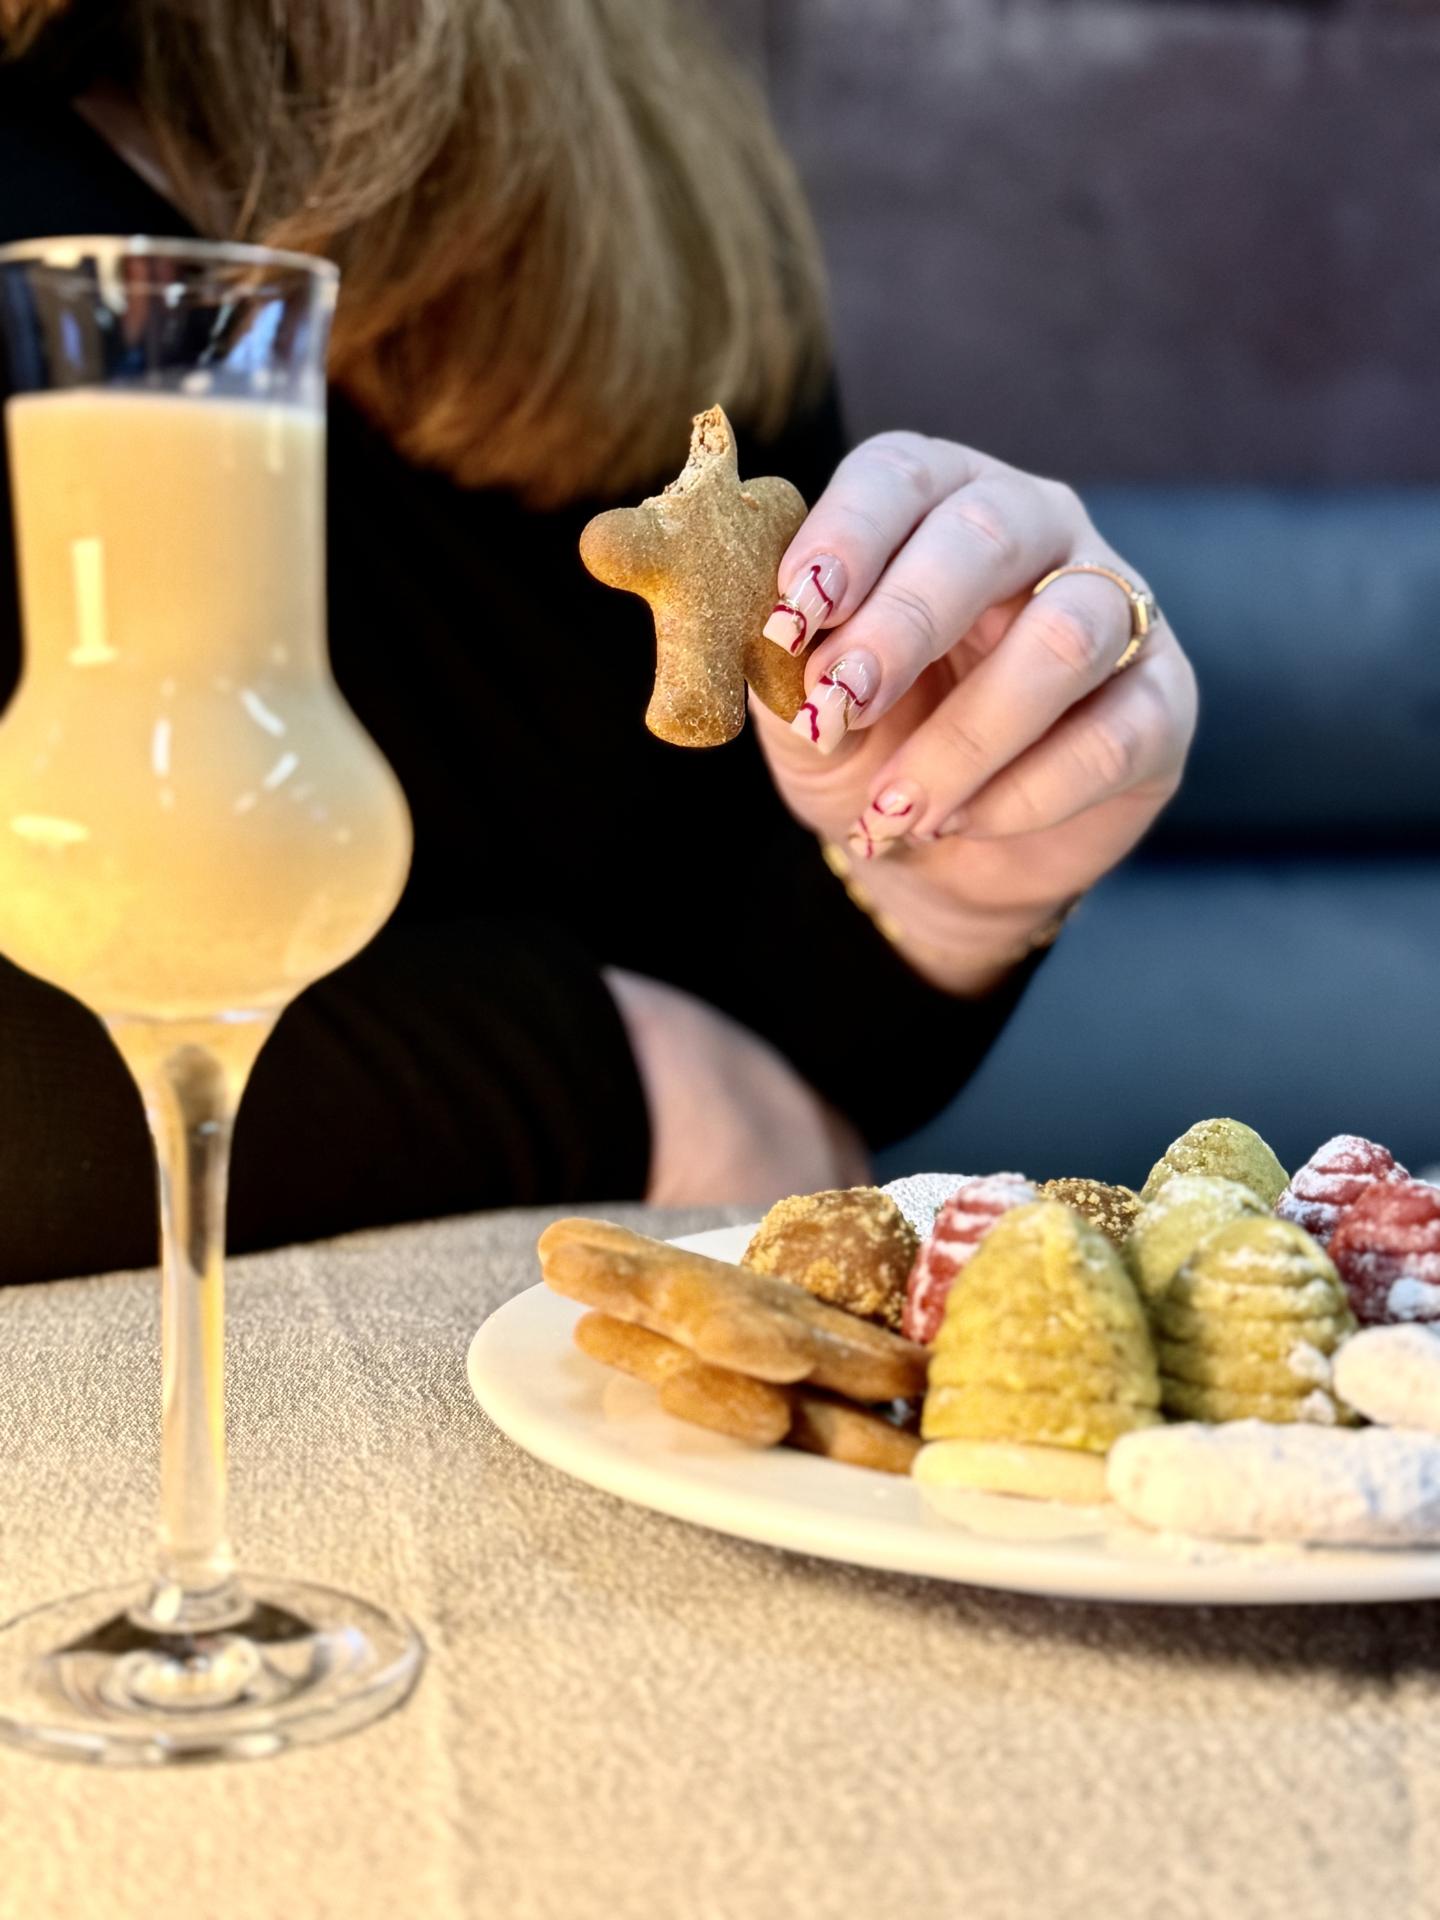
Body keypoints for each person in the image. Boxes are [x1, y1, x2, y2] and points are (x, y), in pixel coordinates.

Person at [0, 0, 1196, 1283]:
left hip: (591, 1334)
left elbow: (796, 1059)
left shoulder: (648, 189)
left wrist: (925, 888)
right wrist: (618, 1077)